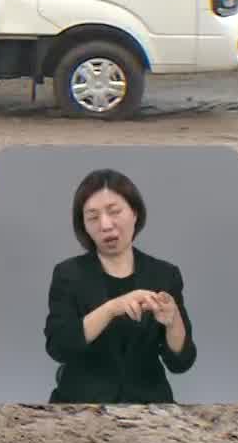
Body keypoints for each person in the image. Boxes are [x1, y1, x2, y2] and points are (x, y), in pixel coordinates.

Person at [42, 168, 196, 403]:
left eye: (114, 212)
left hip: (149, 405)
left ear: (135, 212)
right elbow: (59, 347)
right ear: (83, 225)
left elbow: (181, 362)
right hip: (80, 405)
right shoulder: (68, 274)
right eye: (93, 217)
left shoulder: (165, 275)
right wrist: (112, 308)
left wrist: (173, 320)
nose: (105, 225)